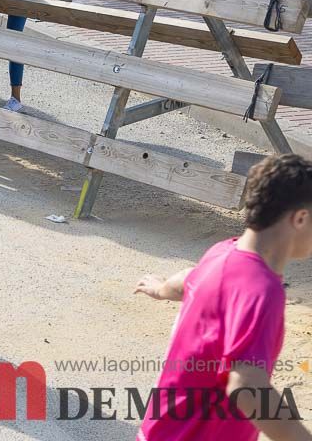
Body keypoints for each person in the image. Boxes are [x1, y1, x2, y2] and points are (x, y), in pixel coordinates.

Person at [134, 154, 312, 441]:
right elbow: (245, 385)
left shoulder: (223, 253)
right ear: (301, 218)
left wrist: (161, 288)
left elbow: (187, 281)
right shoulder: (261, 290)